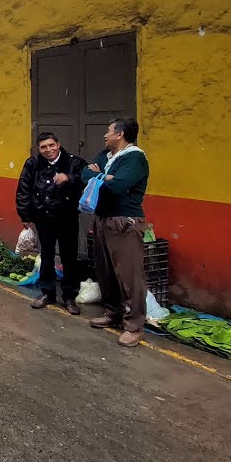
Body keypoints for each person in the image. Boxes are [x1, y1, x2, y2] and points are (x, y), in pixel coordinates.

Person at [82, 117, 150, 347]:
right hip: (102, 218)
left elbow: (118, 187)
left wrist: (99, 177)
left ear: (120, 134)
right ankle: (113, 312)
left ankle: (135, 326)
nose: (105, 135)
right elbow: (85, 174)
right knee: (105, 270)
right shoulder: (106, 156)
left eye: (108, 131)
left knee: (129, 274)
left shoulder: (135, 158)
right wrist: (102, 177)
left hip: (124, 220)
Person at [17, 132, 88, 315]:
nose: (48, 150)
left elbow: (87, 180)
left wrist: (69, 178)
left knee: (69, 257)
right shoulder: (32, 164)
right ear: (39, 149)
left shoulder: (75, 162)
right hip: (43, 217)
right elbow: (23, 189)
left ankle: (69, 296)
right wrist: (25, 215)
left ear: (58, 144)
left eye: (51, 145)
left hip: (67, 217)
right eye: (43, 147)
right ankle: (47, 293)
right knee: (46, 255)